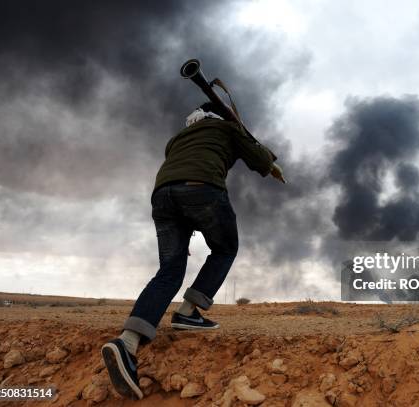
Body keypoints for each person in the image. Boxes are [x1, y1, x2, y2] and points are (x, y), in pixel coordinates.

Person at [100, 102, 285, 399]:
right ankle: (188, 311)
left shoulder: (177, 139)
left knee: (169, 271)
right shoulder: (227, 128)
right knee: (225, 249)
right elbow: (260, 160)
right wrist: (243, 131)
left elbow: (184, 168)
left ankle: (127, 342)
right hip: (203, 189)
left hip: (162, 197)